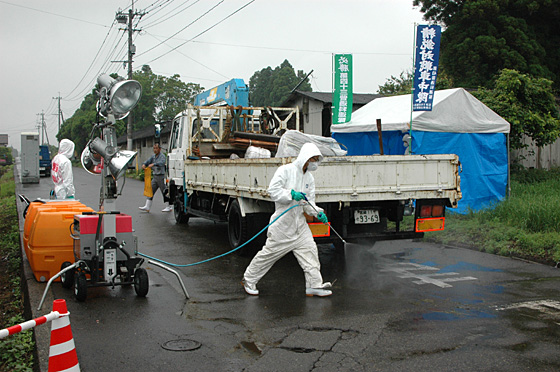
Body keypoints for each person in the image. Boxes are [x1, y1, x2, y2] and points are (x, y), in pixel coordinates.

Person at [242, 142, 332, 297]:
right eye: (313, 159)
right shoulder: (285, 170)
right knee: (268, 255)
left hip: (299, 226)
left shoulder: (309, 178)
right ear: (305, 158)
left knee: (310, 252)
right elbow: (273, 191)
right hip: (283, 227)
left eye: (317, 159)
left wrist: (318, 213)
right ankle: (249, 279)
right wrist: (291, 194)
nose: (315, 163)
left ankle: (314, 285)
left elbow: (309, 204)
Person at [139, 143, 172, 212]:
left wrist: (154, 164)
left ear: (159, 149)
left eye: (156, 148)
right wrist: (144, 164)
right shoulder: (153, 156)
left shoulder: (162, 156)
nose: (155, 150)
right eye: (154, 148)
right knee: (150, 190)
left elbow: (162, 163)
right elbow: (147, 161)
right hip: (155, 176)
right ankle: (147, 206)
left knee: (164, 191)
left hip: (161, 176)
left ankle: (168, 206)